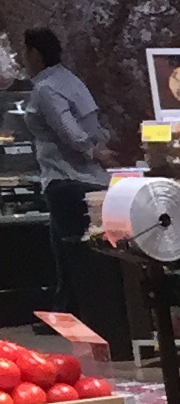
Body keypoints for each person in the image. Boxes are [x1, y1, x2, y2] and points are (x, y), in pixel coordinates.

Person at [20, 29, 109, 304]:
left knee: (74, 257)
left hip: (65, 179)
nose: (23, 58)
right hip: (89, 180)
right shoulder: (69, 79)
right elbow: (92, 124)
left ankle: (85, 311)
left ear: (34, 53)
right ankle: (68, 310)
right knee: (68, 254)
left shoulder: (46, 88)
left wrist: (93, 151)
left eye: (24, 52)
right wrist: (98, 149)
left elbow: (69, 131)